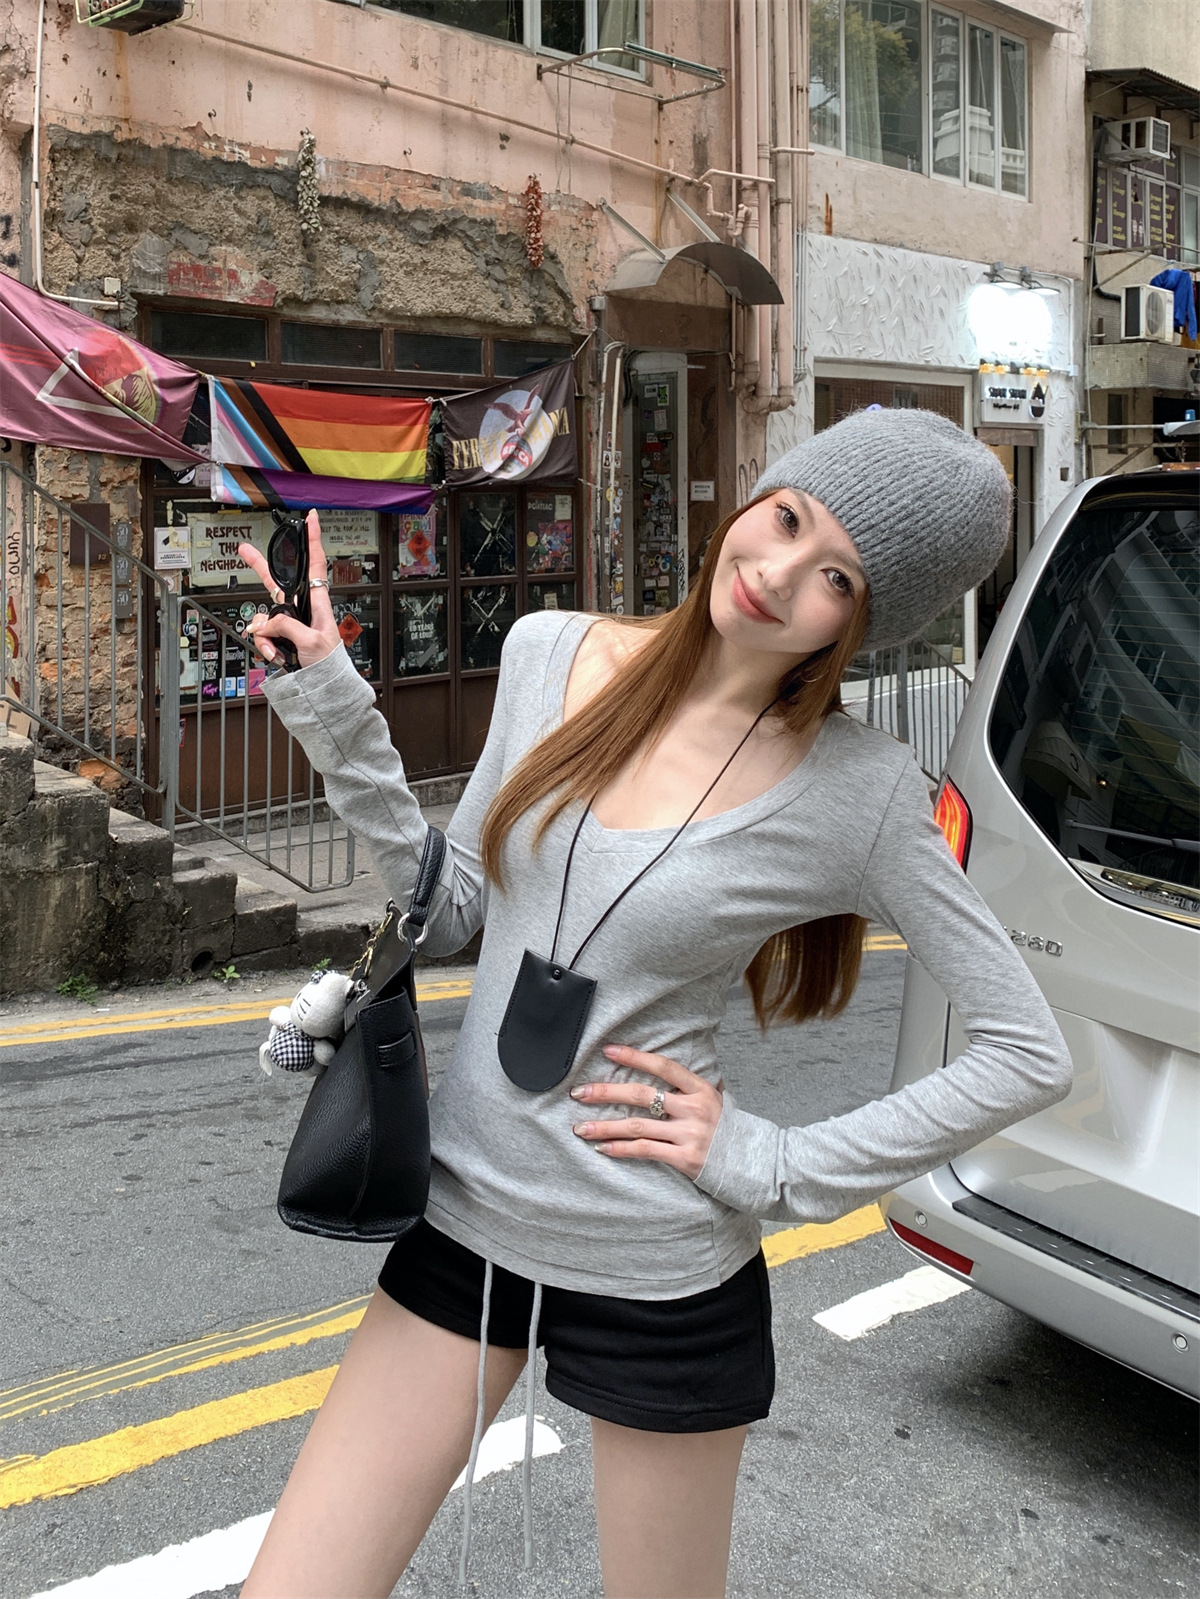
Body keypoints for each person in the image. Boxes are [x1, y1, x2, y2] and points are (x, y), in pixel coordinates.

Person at [237, 408, 1071, 1599]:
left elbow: (1026, 1050)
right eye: (787, 518)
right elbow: (457, 906)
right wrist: (336, 709)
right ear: (758, 496)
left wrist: (774, 1161)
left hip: (661, 1271)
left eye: (836, 577)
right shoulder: (549, 652)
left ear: (864, 623)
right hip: (462, 1221)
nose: (777, 571)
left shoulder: (864, 793)